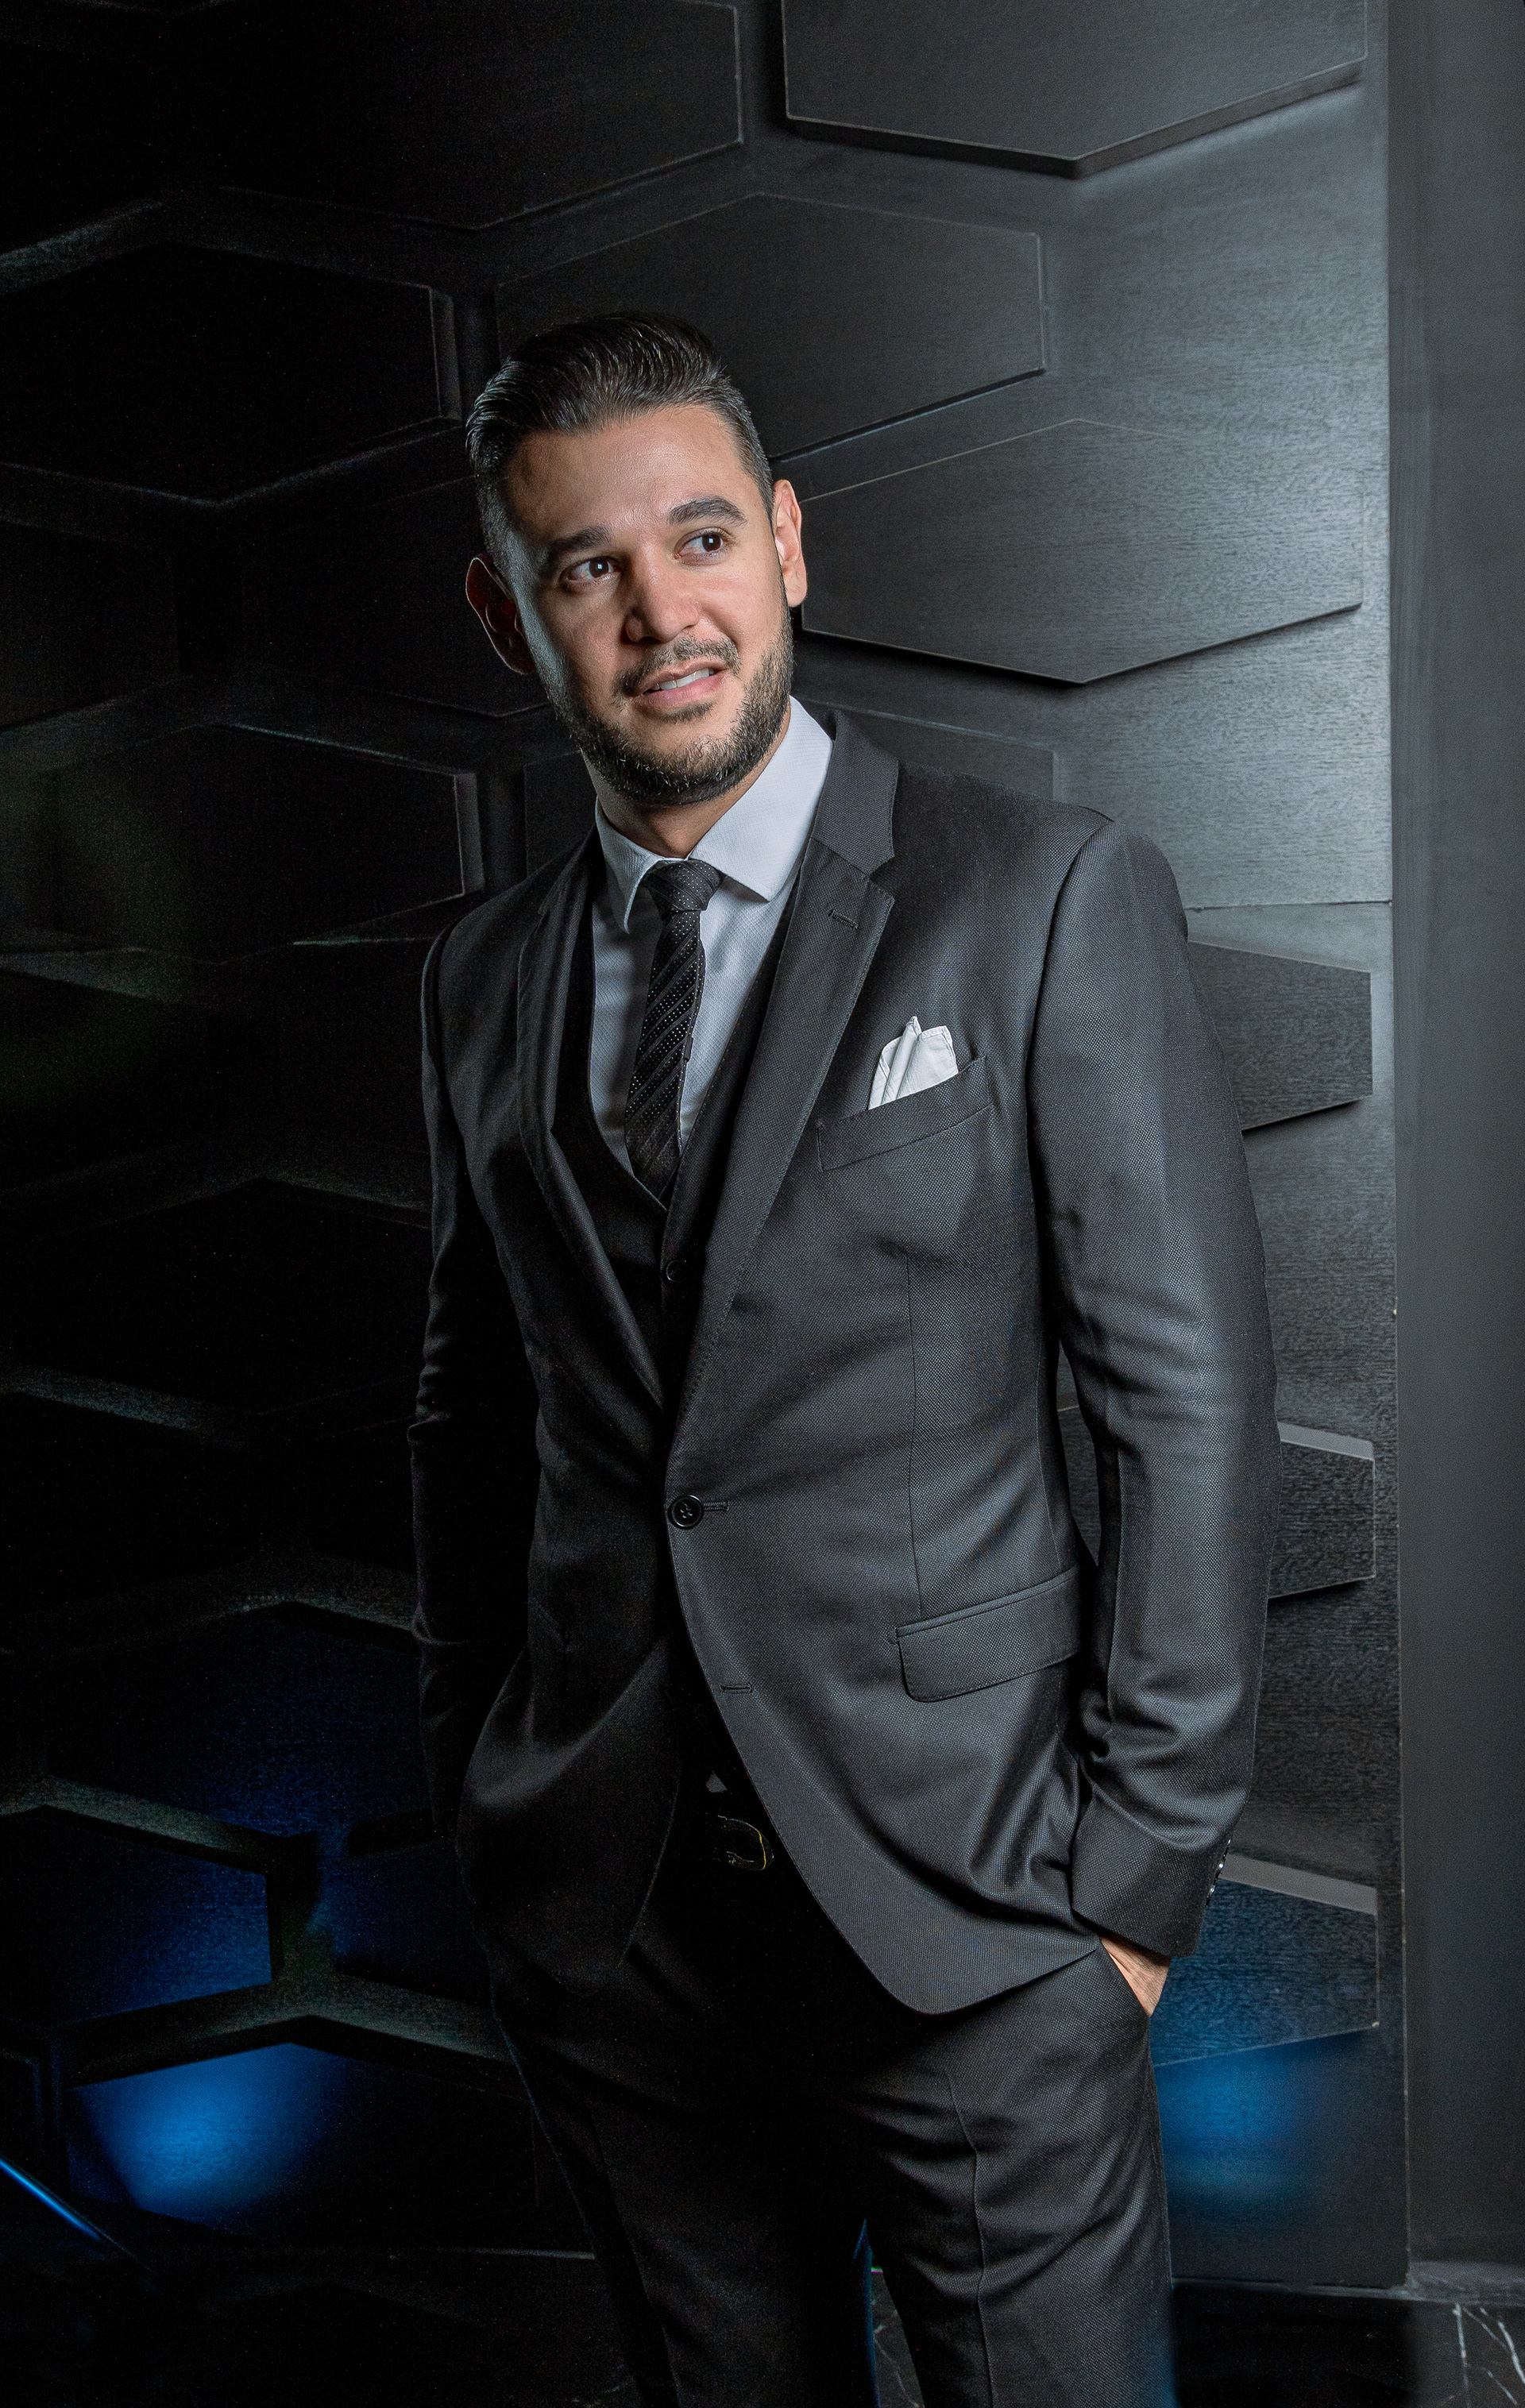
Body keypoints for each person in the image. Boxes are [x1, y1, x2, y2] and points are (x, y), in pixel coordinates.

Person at [411, 312, 1281, 2408]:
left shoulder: (1038, 895)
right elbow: (475, 1412)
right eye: (589, 567)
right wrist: (490, 1794)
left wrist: (1131, 1889)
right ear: (509, 616)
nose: (662, 614)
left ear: (789, 543)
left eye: (703, 537)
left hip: (981, 1920)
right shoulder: (478, 980)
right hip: (619, 1938)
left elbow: (1180, 1401)